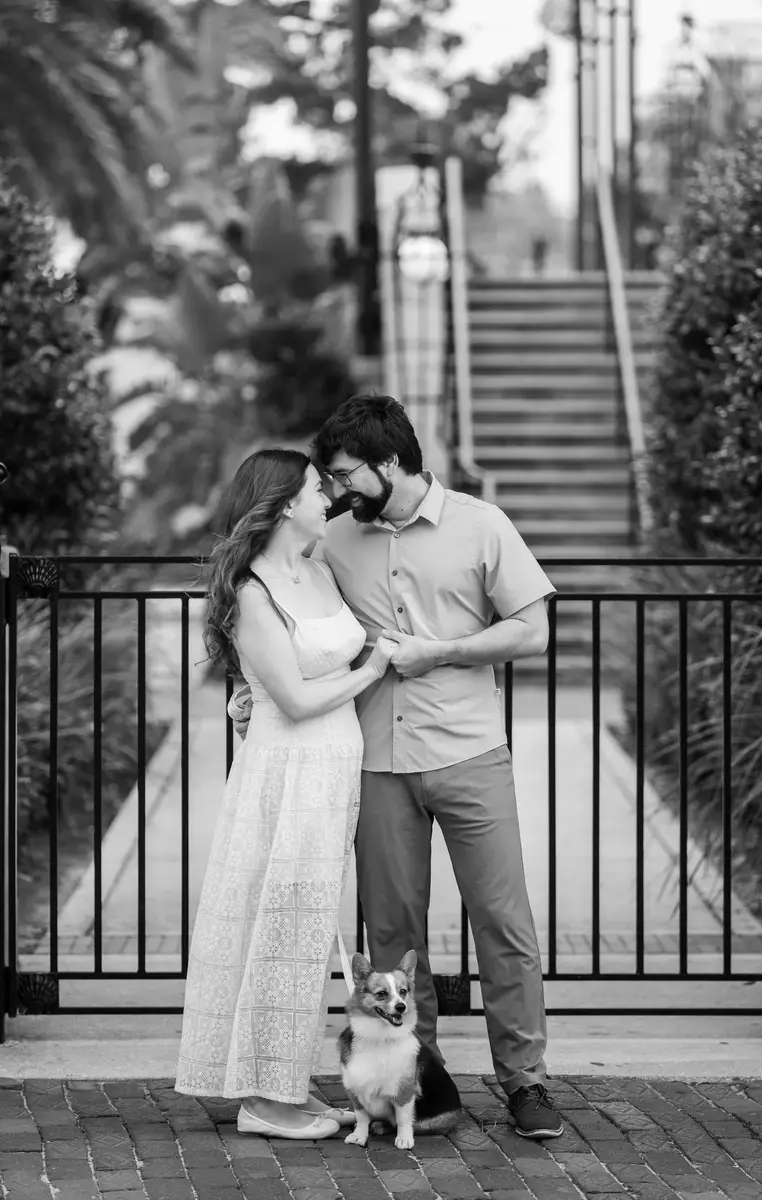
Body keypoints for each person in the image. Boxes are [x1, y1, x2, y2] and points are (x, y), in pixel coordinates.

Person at [233, 396, 562, 1139]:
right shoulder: (336, 538)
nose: (338, 489)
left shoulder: (483, 525)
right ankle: (418, 1079)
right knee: (392, 935)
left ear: (389, 464)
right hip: (375, 762)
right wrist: (248, 689)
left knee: (504, 924)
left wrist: (439, 650)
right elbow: (277, 606)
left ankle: (526, 1081)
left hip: (470, 751)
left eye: (348, 474)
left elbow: (533, 630)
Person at [174, 448, 395, 1140]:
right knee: (282, 930)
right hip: (288, 774)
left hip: (331, 775)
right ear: (279, 503)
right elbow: (297, 701)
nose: (324, 492)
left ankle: (287, 1085)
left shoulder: (319, 566)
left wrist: (252, 692)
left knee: (307, 933)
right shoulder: (252, 591)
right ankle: (265, 1101)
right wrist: (375, 667)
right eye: (311, 485)